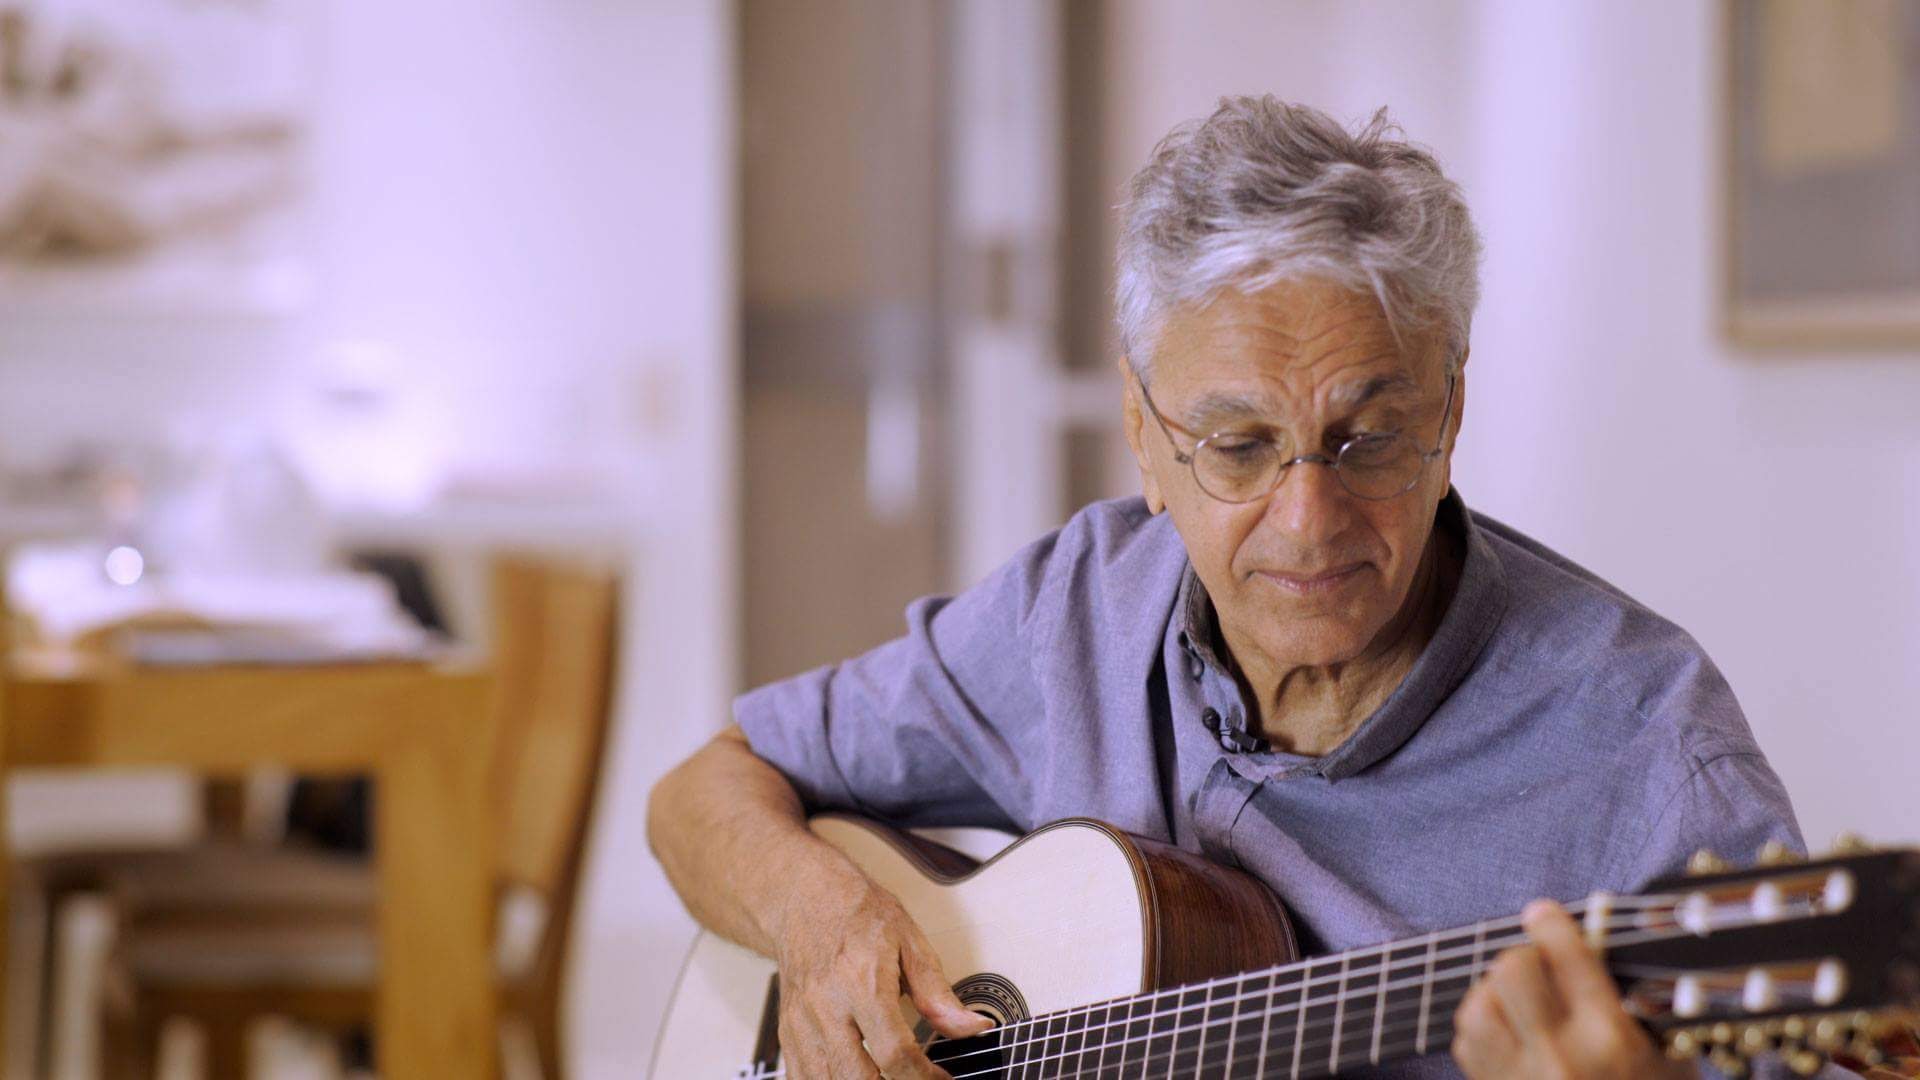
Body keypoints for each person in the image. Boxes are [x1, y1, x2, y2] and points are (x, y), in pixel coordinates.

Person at [650, 97, 1819, 1079]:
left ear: (1452, 411)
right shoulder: (1076, 608)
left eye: (1368, 437)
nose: (1309, 520)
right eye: (1238, 445)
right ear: (1144, 440)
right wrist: (820, 921)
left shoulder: (1653, 750)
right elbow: (703, 791)